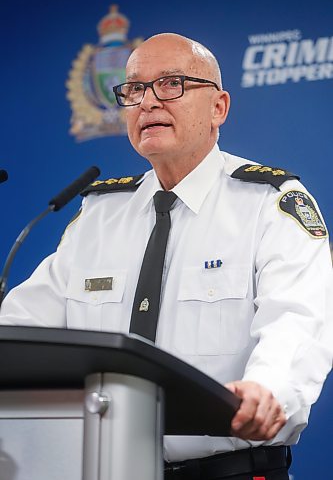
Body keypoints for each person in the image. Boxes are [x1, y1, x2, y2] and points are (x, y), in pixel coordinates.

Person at [1, 33, 332, 480]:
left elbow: (299, 321)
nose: (148, 102)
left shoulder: (269, 203)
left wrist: (269, 390)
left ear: (219, 107)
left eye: (172, 83)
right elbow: (20, 333)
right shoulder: (100, 215)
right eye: (135, 89)